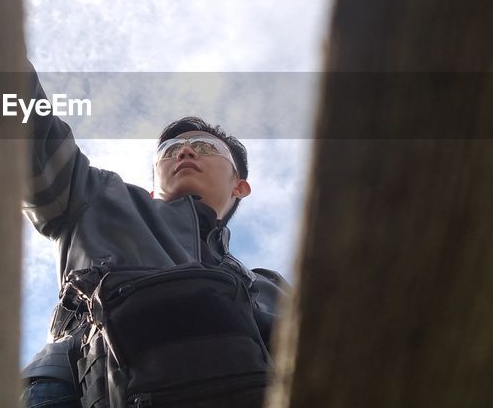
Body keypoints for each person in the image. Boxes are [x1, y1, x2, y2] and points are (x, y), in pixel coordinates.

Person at [17, 62, 290, 408]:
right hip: (74, 390)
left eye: (205, 147)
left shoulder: (267, 286)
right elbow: (26, 127)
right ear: (155, 177)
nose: (186, 151)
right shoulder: (92, 196)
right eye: (170, 150)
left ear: (240, 186)